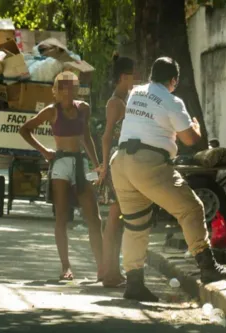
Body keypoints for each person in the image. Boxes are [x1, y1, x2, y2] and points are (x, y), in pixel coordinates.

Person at [110, 57, 226, 302]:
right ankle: (208, 268)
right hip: (147, 163)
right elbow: (190, 139)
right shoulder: (172, 100)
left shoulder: (136, 92)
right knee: (191, 208)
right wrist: (196, 128)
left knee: (136, 224)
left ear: (150, 75)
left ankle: (134, 283)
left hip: (121, 161)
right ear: (174, 81)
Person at [19, 71, 103, 281]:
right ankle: (66, 267)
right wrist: (45, 152)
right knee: (62, 218)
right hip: (61, 165)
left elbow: (86, 136)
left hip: (81, 162)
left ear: (76, 90)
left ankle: (102, 268)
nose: (67, 92)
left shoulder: (83, 108)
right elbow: (25, 130)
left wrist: (96, 164)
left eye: (71, 88)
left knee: (94, 217)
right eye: (62, 88)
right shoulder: (51, 111)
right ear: (55, 92)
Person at [97, 53, 135, 287]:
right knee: (113, 221)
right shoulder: (115, 103)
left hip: (119, 164)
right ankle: (109, 272)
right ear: (123, 77)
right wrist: (103, 167)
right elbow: (106, 136)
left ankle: (112, 270)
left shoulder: (124, 101)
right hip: (114, 165)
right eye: (131, 76)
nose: (134, 80)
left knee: (117, 220)